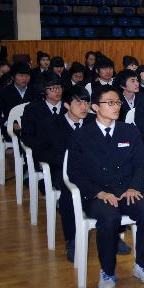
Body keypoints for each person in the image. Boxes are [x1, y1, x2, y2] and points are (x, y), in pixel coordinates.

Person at [67, 85, 144, 288]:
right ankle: (107, 270)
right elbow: (75, 173)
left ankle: (142, 265)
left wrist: (134, 187)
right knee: (109, 219)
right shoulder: (82, 136)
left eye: (118, 102)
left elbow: (140, 164)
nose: (116, 106)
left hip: (126, 190)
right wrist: (99, 193)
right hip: (98, 194)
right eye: (110, 103)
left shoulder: (129, 131)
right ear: (95, 108)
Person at [36, 86, 94, 261]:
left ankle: (114, 232)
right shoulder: (52, 124)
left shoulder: (94, 122)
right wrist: (67, 160)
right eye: (79, 102)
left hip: (92, 169)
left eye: (86, 102)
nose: (84, 107)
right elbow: (41, 152)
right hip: (63, 170)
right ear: (67, 105)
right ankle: (72, 239)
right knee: (70, 191)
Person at [0, 62, 35, 140]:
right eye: (21, 75)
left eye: (27, 75)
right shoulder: (3, 92)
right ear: (13, 77)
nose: (24, 78)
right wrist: (10, 123)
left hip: (33, 127)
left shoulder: (35, 91)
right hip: (12, 130)